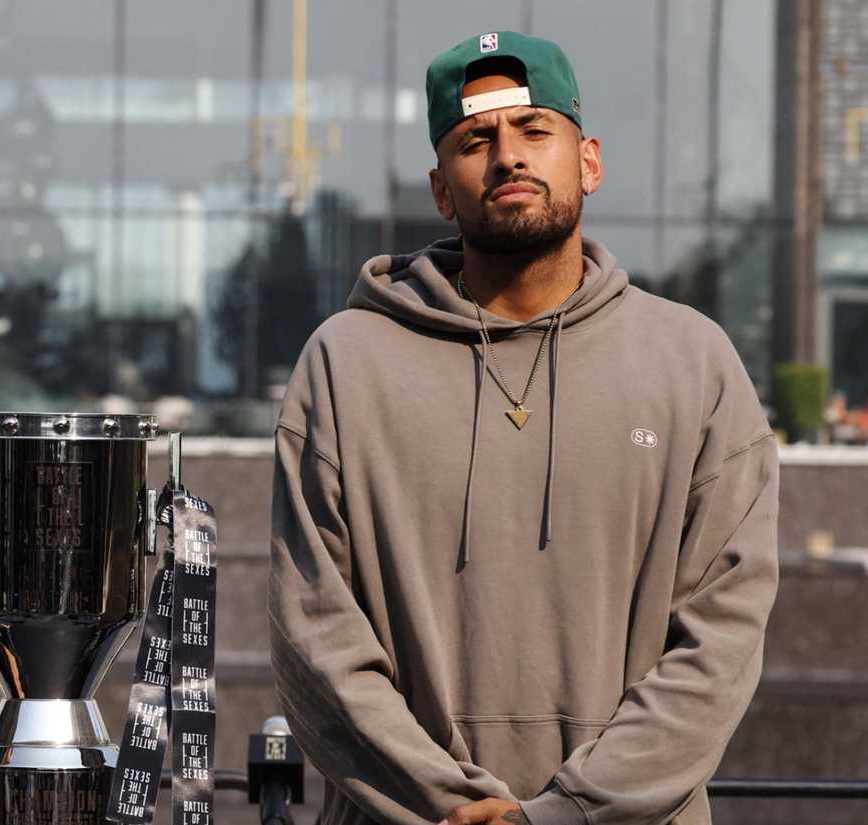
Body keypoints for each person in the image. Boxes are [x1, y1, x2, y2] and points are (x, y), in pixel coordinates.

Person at [268, 32, 777, 825]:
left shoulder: (694, 363)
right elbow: (315, 639)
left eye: (535, 129)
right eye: (477, 139)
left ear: (591, 160)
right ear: (442, 189)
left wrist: (563, 814)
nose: (508, 156)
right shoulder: (345, 364)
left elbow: (721, 640)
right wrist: (458, 808)